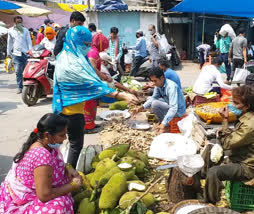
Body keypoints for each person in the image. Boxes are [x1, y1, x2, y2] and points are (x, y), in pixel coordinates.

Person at [53, 26, 138, 168]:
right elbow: (92, 84)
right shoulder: (72, 63)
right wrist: (121, 94)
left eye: (89, 44)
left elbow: (92, 78)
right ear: (76, 42)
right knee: (75, 146)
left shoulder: (68, 54)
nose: (87, 48)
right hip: (71, 112)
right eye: (85, 45)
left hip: (66, 107)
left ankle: (63, 172)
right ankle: (69, 174)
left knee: (65, 144)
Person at [0, 113, 82, 213]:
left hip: (30, 190)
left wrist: (68, 167)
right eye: (61, 135)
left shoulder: (42, 143)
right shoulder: (42, 155)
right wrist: (73, 185)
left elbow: (54, 164)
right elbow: (44, 195)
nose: (65, 138)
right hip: (25, 199)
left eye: (66, 134)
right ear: (47, 135)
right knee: (60, 206)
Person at [204, 85, 254, 204]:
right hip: (240, 154)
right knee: (211, 147)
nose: (232, 105)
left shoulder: (250, 124)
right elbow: (232, 138)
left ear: (247, 106)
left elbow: (227, 143)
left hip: (248, 166)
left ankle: (210, 202)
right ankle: (205, 178)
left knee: (214, 172)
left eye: (236, 103)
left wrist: (225, 120)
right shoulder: (245, 117)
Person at [134, 67, 186, 133]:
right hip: (169, 104)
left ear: (162, 78)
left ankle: (166, 126)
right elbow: (154, 98)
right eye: (152, 81)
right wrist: (142, 107)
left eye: (155, 81)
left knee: (155, 104)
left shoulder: (171, 87)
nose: (153, 83)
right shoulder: (158, 85)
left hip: (179, 110)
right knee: (151, 100)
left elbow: (173, 108)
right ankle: (164, 123)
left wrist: (164, 123)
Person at [7, 16, 32, 94]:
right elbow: (10, 43)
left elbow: (29, 41)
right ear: (14, 22)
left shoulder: (25, 30)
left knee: (27, 72)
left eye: (20, 22)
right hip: (16, 54)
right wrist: (8, 53)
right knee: (18, 71)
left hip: (25, 53)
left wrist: (30, 51)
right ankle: (19, 87)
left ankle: (27, 87)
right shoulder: (10, 30)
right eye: (17, 22)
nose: (19, 23)